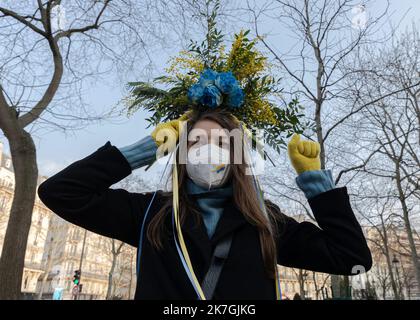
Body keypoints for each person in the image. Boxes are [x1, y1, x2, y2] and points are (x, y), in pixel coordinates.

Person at [37, 108, 372, 300]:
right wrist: (144, 150)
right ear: (181, 155)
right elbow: (60, 192)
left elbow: (352, 257)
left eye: (221, 143)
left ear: (236, 157)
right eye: (196, 141)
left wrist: (316, 184)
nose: (208, 149)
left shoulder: (265, 221)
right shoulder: (150, 213)